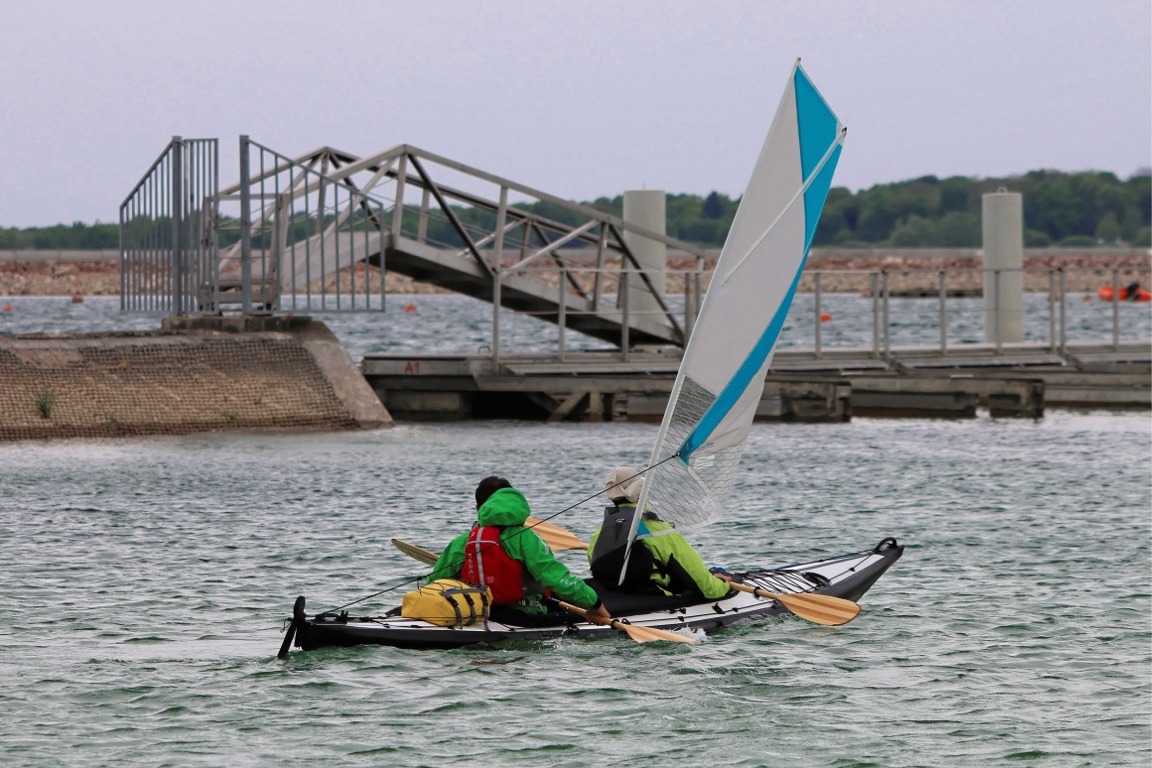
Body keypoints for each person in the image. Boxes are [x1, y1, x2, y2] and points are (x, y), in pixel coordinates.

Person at [428, 476, 611, 623]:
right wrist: (594, 603)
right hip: (524, 614)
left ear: (479, 509)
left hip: (480, 611)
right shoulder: (527, 538)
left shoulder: (464, 541)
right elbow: (555, 578)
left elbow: (435, 581)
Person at [588, 466, 732, 600]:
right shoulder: (657, 530)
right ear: (640, 492)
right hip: (654, 597)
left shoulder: (600, 531)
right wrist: (721, 584)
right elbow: (698, 578)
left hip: (613, 597)